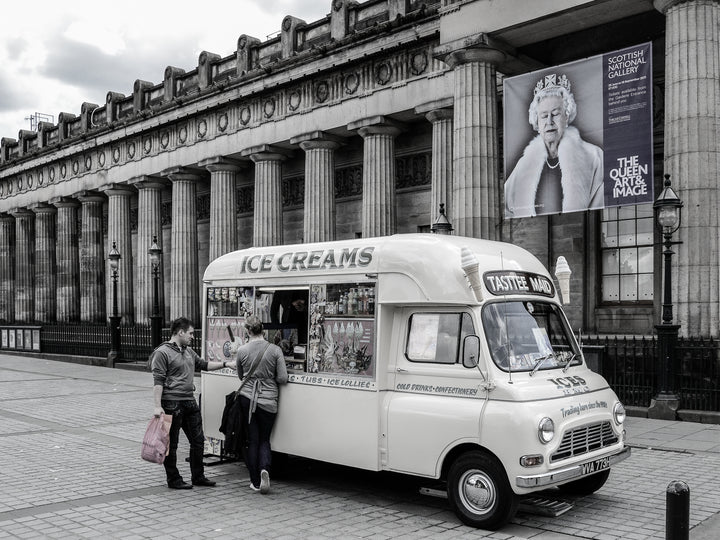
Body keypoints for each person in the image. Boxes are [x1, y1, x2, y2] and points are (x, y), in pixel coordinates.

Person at [151, 317, 236, 489]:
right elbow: (158, 381)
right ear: (180, 332)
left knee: (198, 441)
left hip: (189, 401)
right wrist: (157, 405)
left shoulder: (188, 351)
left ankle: (198, 476)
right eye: (190, 333)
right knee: (171, 444)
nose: (192, 336)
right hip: (171, 403)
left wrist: (227, 364)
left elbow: (203, 364)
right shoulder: (162, 352)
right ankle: (174, 480)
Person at [505, 73, 604, 218]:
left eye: (556, 114)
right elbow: (507, 208)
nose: (549, 121)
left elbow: (600, 207)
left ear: (567, 116)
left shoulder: (594, 156)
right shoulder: (523, 166)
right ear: (537, 122)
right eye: (544, 116)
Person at [235, 315, 288, 494]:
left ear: (248, 331)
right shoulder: (275, 350)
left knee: (253, 440)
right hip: (268, 400)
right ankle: (265, 468)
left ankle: (255, 481)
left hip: (247, 398)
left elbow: (241, 376)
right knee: (265, 439)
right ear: (263, 330)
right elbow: (283, 378)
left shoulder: (242, 350)